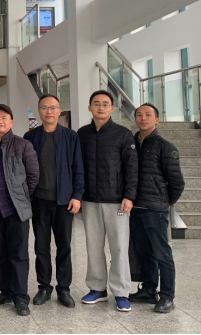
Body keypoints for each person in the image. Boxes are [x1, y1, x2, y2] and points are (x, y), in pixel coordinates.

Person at [78, 91, 138, 312]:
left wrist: (129, 196)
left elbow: (132, 168)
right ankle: (97, 288)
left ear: (112, 108)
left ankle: (121, 291)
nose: (101, 107)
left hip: (117, 201)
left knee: (119, 247)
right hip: (90, 200)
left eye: (105, 104)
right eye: (96, 104)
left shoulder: (123, 134)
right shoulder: (82, 134)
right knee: (93, 246)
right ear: (90, 107)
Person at [24, 94, 85, 309]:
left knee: (64, 246)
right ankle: (44, 287)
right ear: (39, 111)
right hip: (39, 200)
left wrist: (77, 195)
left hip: (63, 201)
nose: (49, 111)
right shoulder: (30, 137)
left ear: (59, 111)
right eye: (44, 108)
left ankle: (64, 288)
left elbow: (78, 168)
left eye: (53, 108)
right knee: (41, 246)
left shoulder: (70, 136)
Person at [0, 105, 39, 317]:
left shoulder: (23, 145)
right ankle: (5, 291)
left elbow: (33, 176)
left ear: (11, 122)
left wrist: (22, 197)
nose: (0, 121)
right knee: (0, 254)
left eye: (4, 117)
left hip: (16, 210)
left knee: (19, 255)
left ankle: (21, 297)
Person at [129, 103, 185, 314]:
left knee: (162, 253)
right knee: (144, 252)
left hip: (155, 209)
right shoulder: (132, 143)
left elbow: (177, 182)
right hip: (135, 207)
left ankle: (167, 296)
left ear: (157, 119)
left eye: (148, 115)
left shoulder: (165, 146)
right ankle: (149, 290)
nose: (143, 118)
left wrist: (164, 201)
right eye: (139, 115)